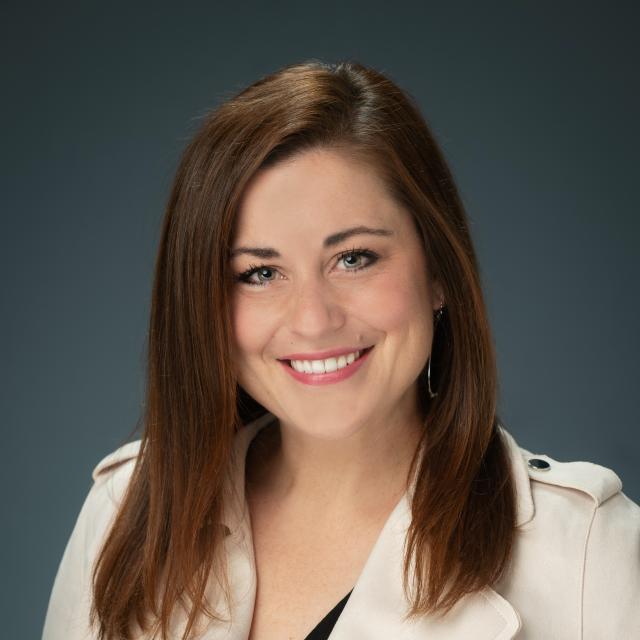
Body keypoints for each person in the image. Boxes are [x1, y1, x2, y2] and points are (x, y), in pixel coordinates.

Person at [42, 60, 640, 640]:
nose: (312, 320)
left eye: (354, 259)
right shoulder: (124, 513)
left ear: (439, 272)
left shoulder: (592, 551)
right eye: (258, 273)